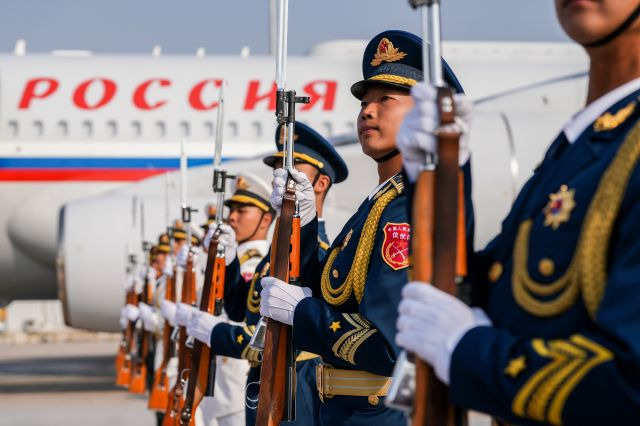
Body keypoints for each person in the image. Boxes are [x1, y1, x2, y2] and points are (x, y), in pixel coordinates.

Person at [394, 1, 640, 424]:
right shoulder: (585, 143)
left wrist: (465, 350)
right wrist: (436, 176)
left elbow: (630, 383)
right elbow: (499, 288)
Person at [258, 31, 462, 425]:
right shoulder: (376, 204)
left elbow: (384, 344)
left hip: (381, 413)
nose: (368, 111)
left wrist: (302, 313)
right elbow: (333, 292)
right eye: (365, 102)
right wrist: (303, 221)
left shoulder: (407, 207)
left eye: (386, 99)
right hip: (340, 410)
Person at [187, 121, 348, 426]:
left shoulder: (324, 253)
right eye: (278, 167)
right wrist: (229, 261)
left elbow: (311, 331)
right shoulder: (271, 259)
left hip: (296, 387)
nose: (282, 175)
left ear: (321, 184)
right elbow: (240, 309)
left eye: (294, 166)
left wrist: (217, 334)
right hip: (262, 384)